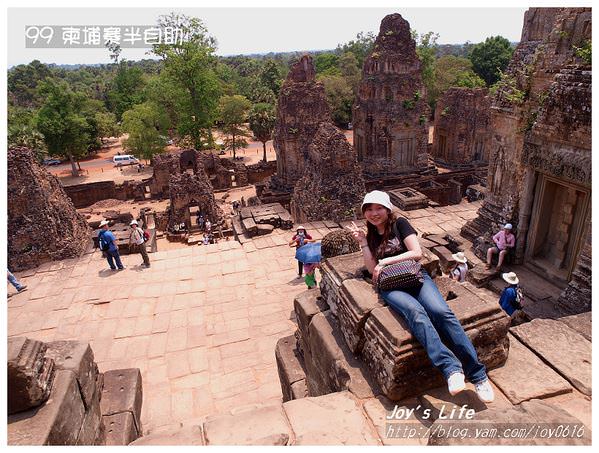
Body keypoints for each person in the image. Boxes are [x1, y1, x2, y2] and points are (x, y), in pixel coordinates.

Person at [348, 190, 494, 403]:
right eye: (369, 209)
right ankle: (451, 369)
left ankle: (478, 376)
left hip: (416, 276)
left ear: (388, 209)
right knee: (415, 313)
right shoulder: (369, 235)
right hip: (389, 286)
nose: (374, 213)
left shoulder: (400, 224)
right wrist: (362, 242)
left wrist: (385, 261)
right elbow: (371, 270)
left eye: (378, 208)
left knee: (441, 312)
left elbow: (416, 252)